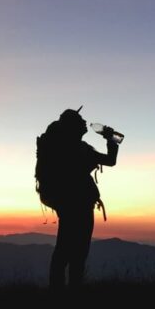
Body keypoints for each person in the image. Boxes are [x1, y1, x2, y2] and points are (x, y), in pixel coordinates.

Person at [38, 108, 119, 290]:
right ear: (72, 126)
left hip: (69, 204)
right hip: (78, 205)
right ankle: (71, 290)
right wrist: (110, 138)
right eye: (80, 120)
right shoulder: (76, 148)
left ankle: (60, 289)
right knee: (76, 251)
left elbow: (108, 161)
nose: (85, 123)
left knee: (66, 249)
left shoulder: (67, 147)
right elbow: (110, 160)